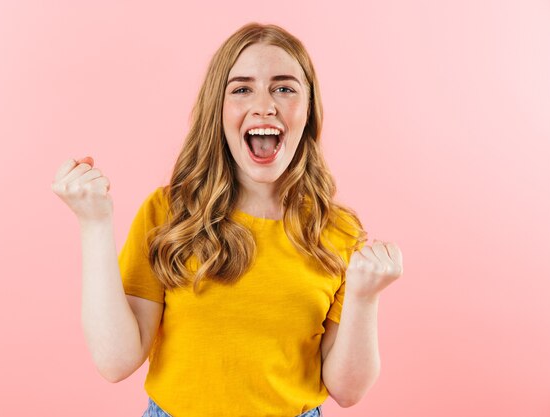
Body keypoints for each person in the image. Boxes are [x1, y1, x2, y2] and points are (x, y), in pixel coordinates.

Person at [51, 22, 403, 417]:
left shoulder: (338, 232)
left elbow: (348, 390)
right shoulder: (168, 213)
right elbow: (115, 362)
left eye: (285, 88)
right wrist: (94, 224)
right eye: (241, 89)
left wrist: (364, 297)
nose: (265, 105)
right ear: (217, 110)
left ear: (308, 110)